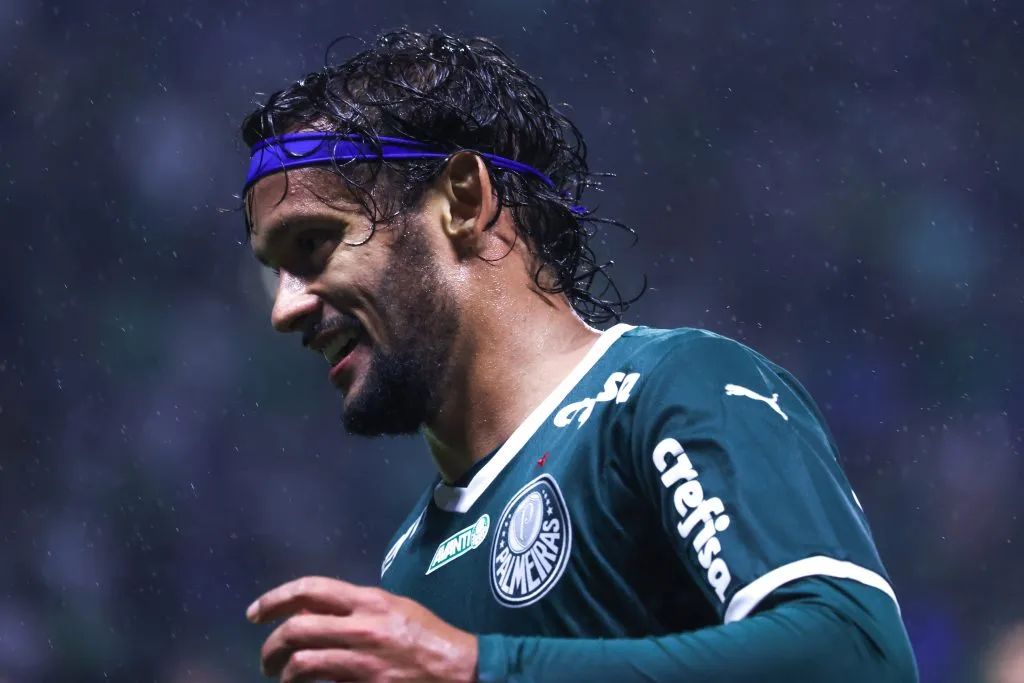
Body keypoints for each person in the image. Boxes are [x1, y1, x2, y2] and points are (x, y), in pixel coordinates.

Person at [238, 29, 919, 683]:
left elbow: (855, 656)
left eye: (314, 244)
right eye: (275, 271)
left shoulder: (668, 392)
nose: (284, 309)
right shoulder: (406, 565)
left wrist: (480, 667)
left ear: (465, 201)